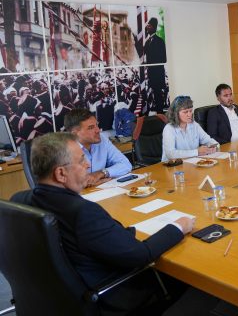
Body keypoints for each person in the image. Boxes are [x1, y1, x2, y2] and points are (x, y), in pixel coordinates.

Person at [11, 132, 195, 313]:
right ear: (61, 173)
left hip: (51, 301)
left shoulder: (18, 201)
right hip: (110, 297)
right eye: (81, 160)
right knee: (186, 277)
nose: (88, 164)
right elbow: (140, 254)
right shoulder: (82, 213)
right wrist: (178, 226)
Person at [64, 108, 132, 187]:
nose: (98, 130)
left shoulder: (102, 139)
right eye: (91, 127)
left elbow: (126, 165)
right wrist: (84, 182)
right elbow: (61, 182)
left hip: (100, 190)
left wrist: (101, 173)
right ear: (74, 134)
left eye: (97, 125)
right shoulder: (63, 148)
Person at [162, 96, 218, 161]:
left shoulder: (194, 125)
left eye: (190, 111)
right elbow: (170, 154)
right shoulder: (169, 128)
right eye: (185, 112)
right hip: (172, 165)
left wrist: (214, 146)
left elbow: (208, 140)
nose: (189, 115)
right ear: (176, 113)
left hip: (191, 162)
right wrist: (197, 152)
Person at [143, 18, 167, 112]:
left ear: (154, 27)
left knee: (158, 94)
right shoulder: (147, 42)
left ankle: (160, 113)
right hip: (150, 73)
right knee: (152, 94)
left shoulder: (160, 41)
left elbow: (164, 59)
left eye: (149, 26)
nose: (147, 28)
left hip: (157, 73)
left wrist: (152, 63)